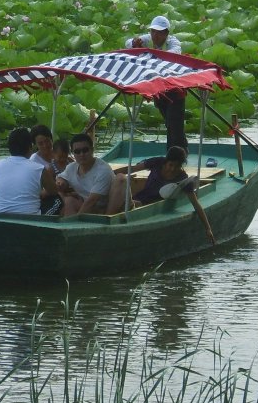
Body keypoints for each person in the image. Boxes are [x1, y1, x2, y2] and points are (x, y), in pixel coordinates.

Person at [110, 146, 215, 244]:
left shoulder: (183, 178)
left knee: (127, 205)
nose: (173, 169)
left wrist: (208, 228)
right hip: (138, 197)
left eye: (177, 166)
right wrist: (110, 173)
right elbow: (132, 169)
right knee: (119, 184)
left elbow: (196, 204)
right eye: (171, 165)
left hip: (148, 206)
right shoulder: (157, 162)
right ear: (166, 161)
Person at [126, 15, 187, 151]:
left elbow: (174, 53)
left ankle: (174, 153)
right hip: (159, 90)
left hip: (175, 90)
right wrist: (135, 43)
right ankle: (181, 150)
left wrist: (152, 54)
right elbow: (128, 43)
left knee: (173, 123)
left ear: (166, 33)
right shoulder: (147, 39)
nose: (155, 35)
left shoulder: (173, 42)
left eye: (159, 32)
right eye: (153, 31)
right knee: (170, 123)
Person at [55, 133, 115, 216]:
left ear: (92, 150)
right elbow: (61, 178)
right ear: (73, 153)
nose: (81, 154)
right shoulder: (71, 167)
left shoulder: (103, 170)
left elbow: (92, 201)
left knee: (69, 202)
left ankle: (71, 225)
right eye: (77, 151)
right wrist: (60, 182)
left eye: (85, 150)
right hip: (85, 205)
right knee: (68, 200)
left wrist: (75, 219)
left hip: (102, 210)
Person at [29, 124, 63, 215]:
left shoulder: (60, 153)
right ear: (35, 145)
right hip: (47, 196)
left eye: (47, 141)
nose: (45, 145)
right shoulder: (33, 161)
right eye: (40, 143)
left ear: (51, 139)